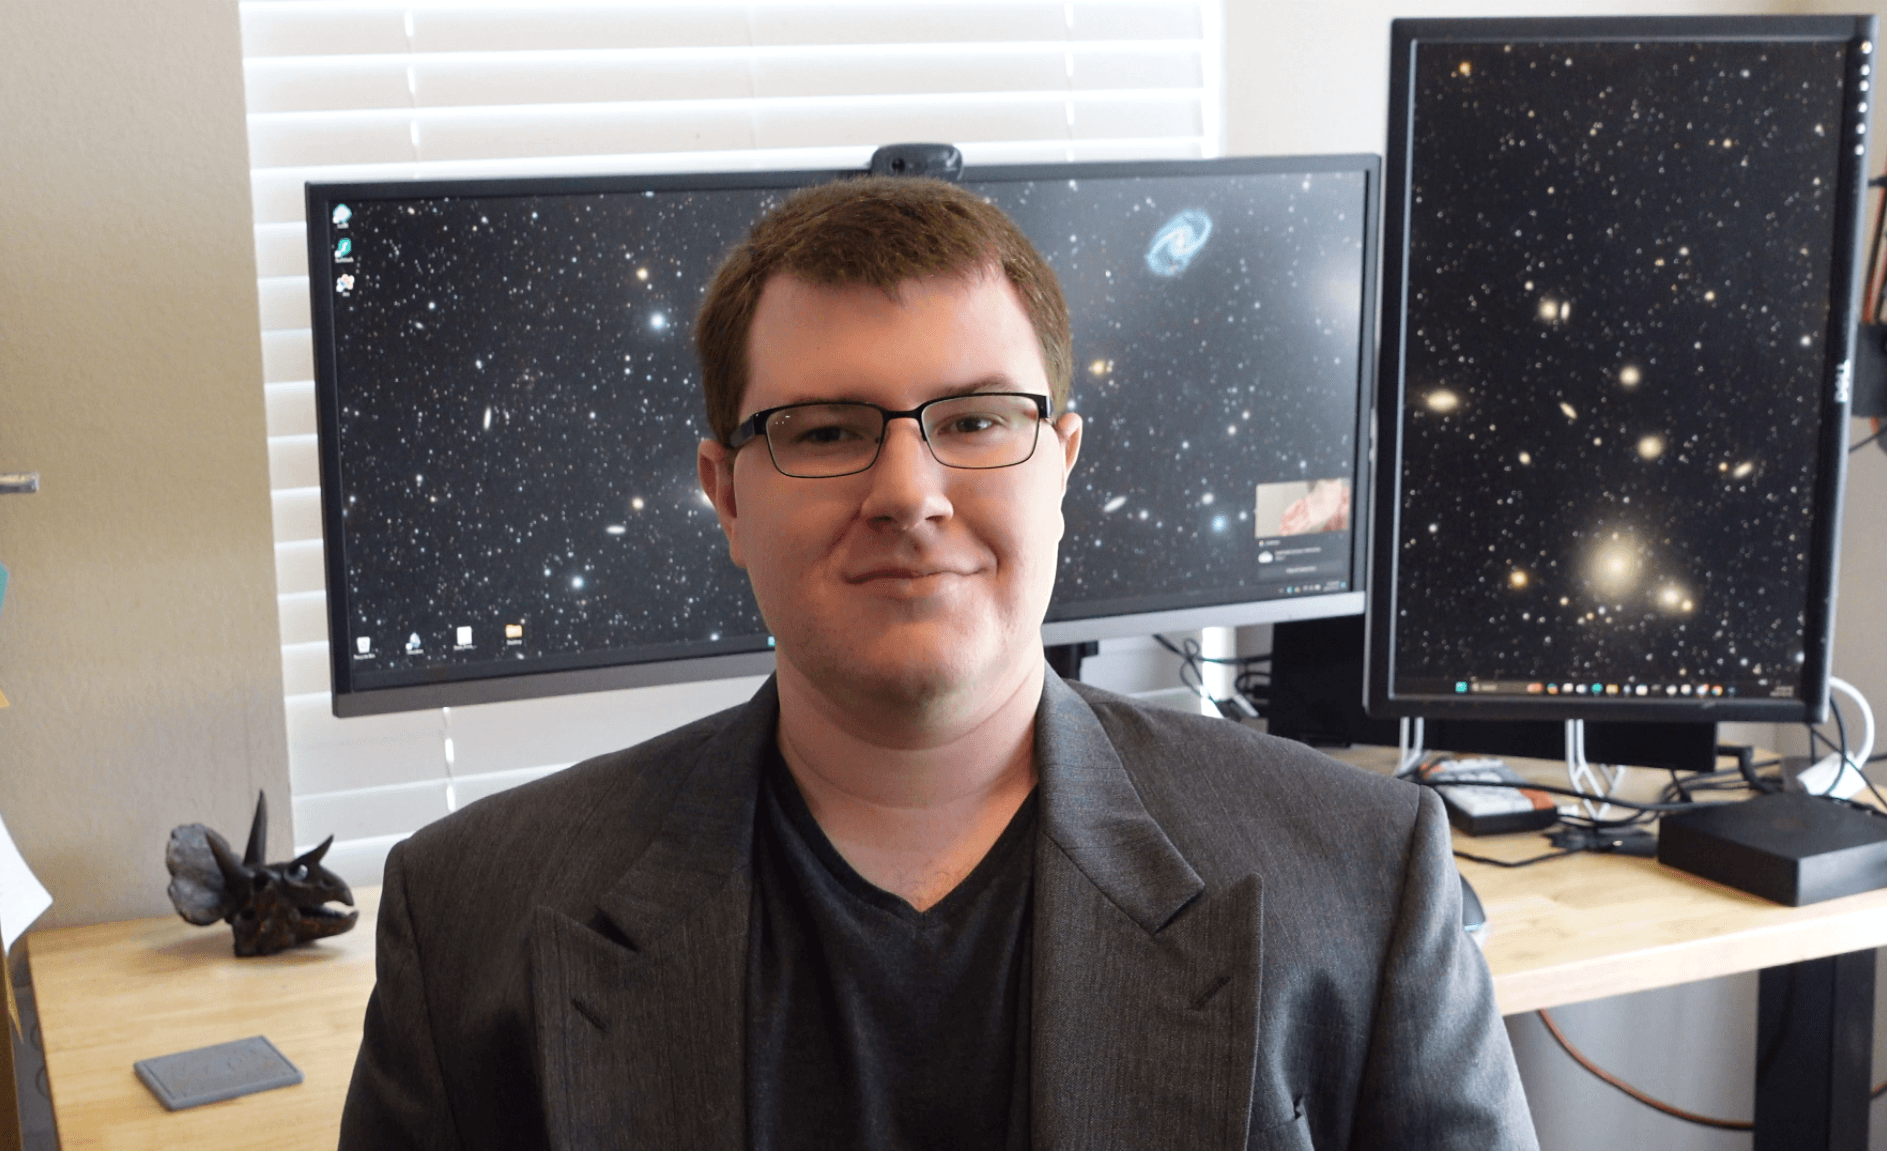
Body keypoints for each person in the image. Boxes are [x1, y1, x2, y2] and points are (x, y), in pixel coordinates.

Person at [339, 177, 1537, 1150]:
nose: (907, 492)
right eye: (823, 430)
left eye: (973, 420)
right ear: (725, 495)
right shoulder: (472, 916)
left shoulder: (1362, 877)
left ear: (1059, 463)